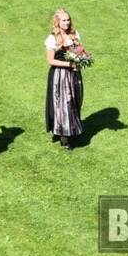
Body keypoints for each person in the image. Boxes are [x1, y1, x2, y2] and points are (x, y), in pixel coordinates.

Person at [45, 9, 84, 150]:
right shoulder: (52, 39)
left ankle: (72, 128)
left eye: (68, 20)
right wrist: (69, 64)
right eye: (63, 20)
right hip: (59, 76)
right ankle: (64, 137)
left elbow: (80, 51)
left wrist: (81, 61)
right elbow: (50, 60)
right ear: (57, 22)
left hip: (73, 74)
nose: (66, 23)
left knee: (74, 101)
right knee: (63, 104)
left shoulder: (74, 34)